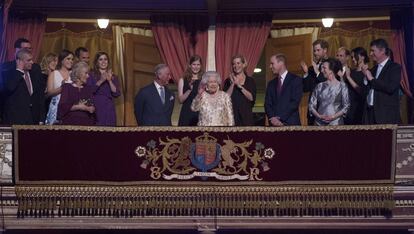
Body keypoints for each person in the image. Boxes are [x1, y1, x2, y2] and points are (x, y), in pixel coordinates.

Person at [1, 38, 44, 124]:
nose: (32, 62)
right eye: (28, 60)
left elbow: (39, 95)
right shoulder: (6, 68)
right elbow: (8, 88)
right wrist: (19, 71)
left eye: (30, 49)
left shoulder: (35, 69)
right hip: (15, 118)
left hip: (33, 118)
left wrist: (41, 118)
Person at [362, 38, 401, 124]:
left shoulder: (394, 68)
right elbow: (366, 89)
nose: (370, 54)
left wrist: (371, 78)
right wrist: (365, 77)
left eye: (373, 51)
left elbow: (390, 88)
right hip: (370, 114)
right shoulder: (373, 69)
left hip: (385, 115)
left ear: (382, 51)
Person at [309, 58, 350, 126]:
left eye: (324, 68)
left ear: (331, 70)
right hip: (319, 124)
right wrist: (319, 116)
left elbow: (346, 106)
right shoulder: (319, 86)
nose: (322, 70)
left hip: (336, 123)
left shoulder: (342, 86)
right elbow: (311, 105)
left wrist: (333, 117)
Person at [265, 54, 303, 126]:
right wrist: (272, 118)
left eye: (272, 63)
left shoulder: (295, 80)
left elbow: (294, 102)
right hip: (274, 126)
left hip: (291, 125)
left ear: (281, 63)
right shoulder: (271, 84)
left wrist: (279, 118)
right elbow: (267, 104)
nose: (270, 66)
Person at [87, 52, 121, 126]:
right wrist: (101, 80)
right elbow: (89, 91)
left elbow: (116, 93)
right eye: (100, 59)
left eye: (105, 59)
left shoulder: (113, 76)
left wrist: (109, 80)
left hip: (109, 107)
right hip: (97, 105)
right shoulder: (91, 75)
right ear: (96, 62)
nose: (103, 62)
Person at [223, 55, 256, 126]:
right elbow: (225, 98)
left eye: (238, 63)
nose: (236, 66)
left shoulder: (250, 81)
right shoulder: (227, 81)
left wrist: (239, 85)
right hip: (231, 118)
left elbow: (251, 98)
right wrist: (233, 84)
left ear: (243, 65)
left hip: (246, 118)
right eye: (233, 64)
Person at [45, 50, 74, 125]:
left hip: (70, 108)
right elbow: (49, 93)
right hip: (56, 107)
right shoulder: (54, 74)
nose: (71, 61)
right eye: (68, 59)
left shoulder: (74, 74)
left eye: (72, 59)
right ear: (61, 60)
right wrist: (62, 88)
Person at [341, 47, 368, 125]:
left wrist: (348, 77)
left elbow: (360, 90)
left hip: (359, 107)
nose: (353, 59)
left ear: (362, 57)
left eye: (355, 56)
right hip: (349, 107)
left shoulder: (366, 72)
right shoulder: (351, 71)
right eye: (352, 57)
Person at [177, 55, 203, 126]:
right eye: (194, 64)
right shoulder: (182, 80)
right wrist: (189, 90)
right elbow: (180, 100)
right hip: (186, 113)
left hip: (200, 113)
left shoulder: (204, 80)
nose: (196, 67)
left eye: (198, 65)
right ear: (189, 65)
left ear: (201, 66)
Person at [40, 53, 58, 121]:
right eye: (53, 60)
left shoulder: (57, 76)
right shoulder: (42, 76)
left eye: (56, 61)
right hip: (44, 105)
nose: (56, 63)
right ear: (47, 61)